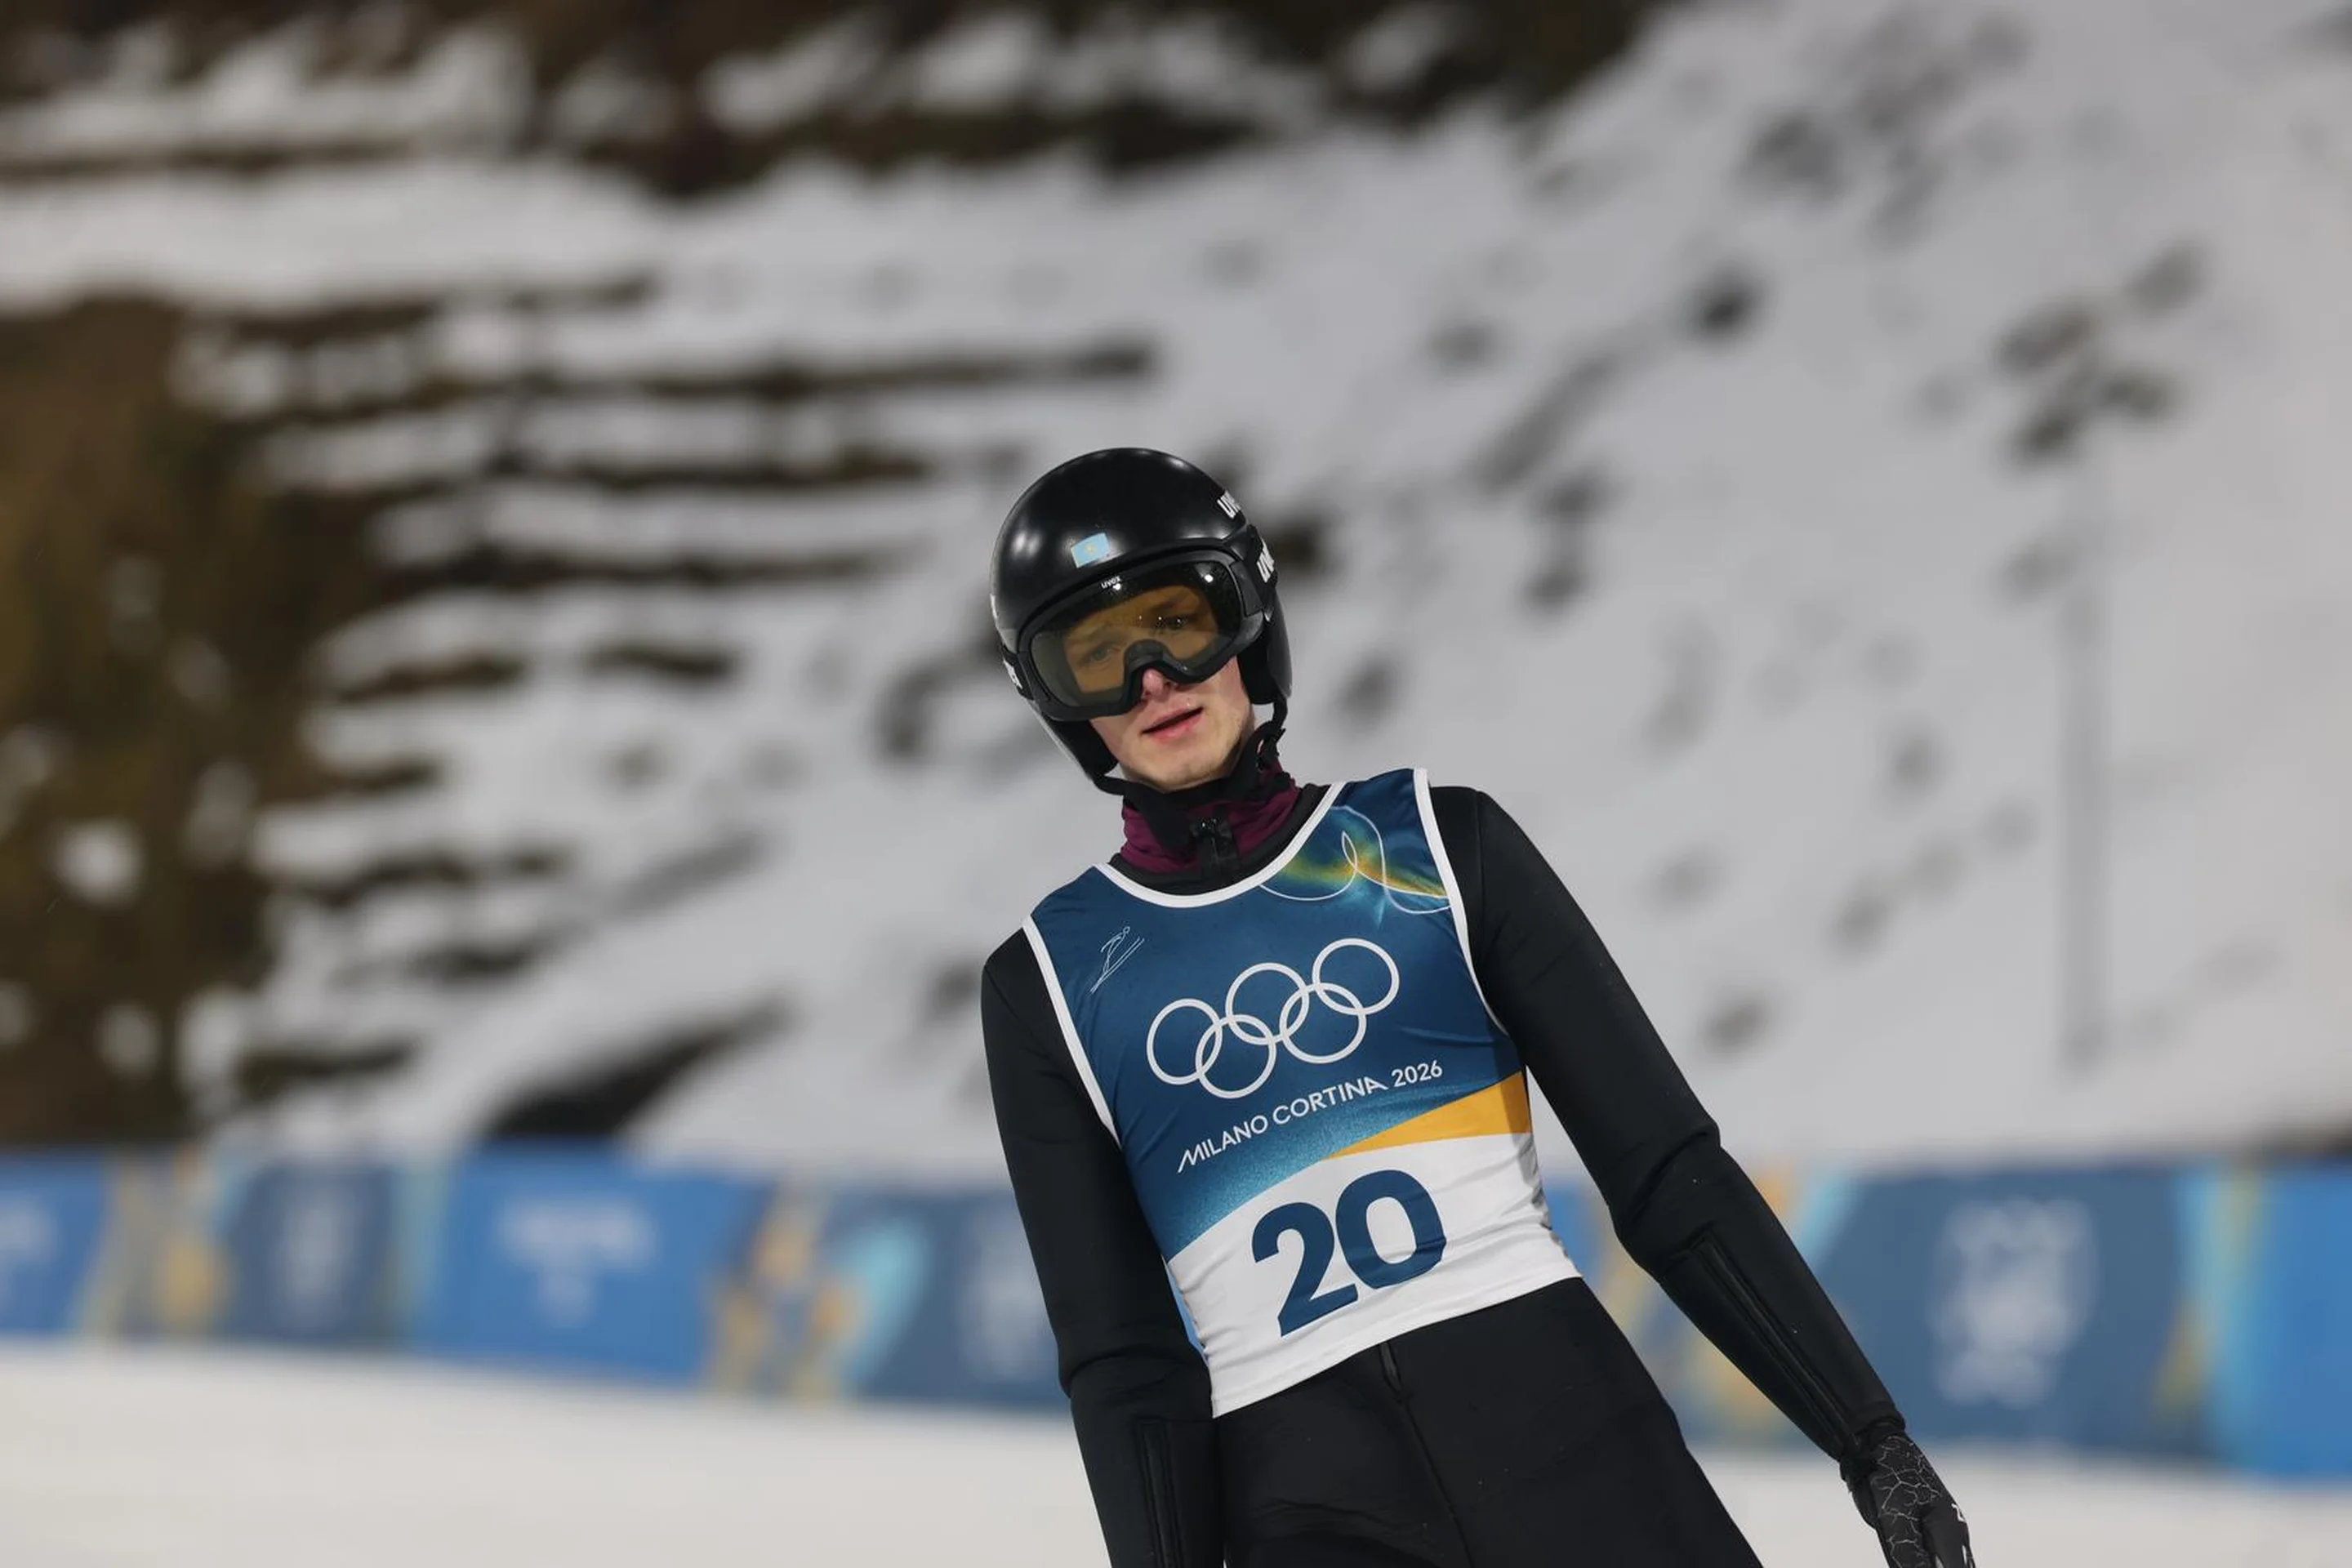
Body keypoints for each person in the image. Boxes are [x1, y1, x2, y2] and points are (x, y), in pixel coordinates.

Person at [979, 448, 1976, 1568]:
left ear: (1249, 620)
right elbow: (1125, 1363)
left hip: (1580, 1456)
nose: (1155, 678)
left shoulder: (1440, 853)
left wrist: (1871, 1442)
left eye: (1179, 618)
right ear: (1065, 709)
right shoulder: (1051, 984)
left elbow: (1668, 1176)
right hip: (1306, 1511)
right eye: (1098, 657)